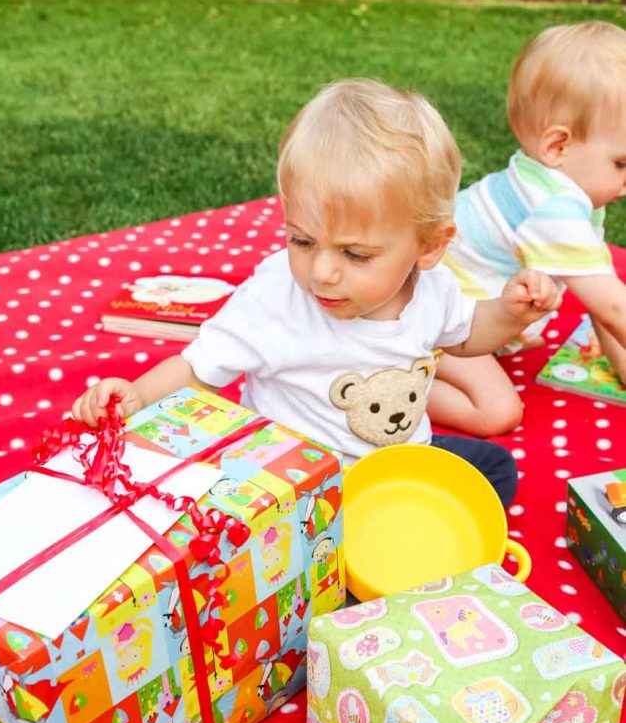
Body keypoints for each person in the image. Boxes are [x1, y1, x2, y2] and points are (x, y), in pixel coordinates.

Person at [72, 79, 560, 509]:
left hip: (397, 466)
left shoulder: (433, 288)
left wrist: (510, 313)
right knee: (299, 542)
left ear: (429, 247)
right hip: (296, 489)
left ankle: (383, 548)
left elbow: (469, 334)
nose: (322, 272)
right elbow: (200, 367)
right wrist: (137, 394)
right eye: (302, 241)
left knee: (493, 469)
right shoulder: (275, 299)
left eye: (355, 254)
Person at [437, 20, 626, 435]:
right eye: (621, 163)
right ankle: (385, 378)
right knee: (498, 412)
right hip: (424, 312)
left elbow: (604, 303)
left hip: (465, 311)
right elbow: (614, 306)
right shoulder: (554, 207)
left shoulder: (559, 184)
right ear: (557, 146)